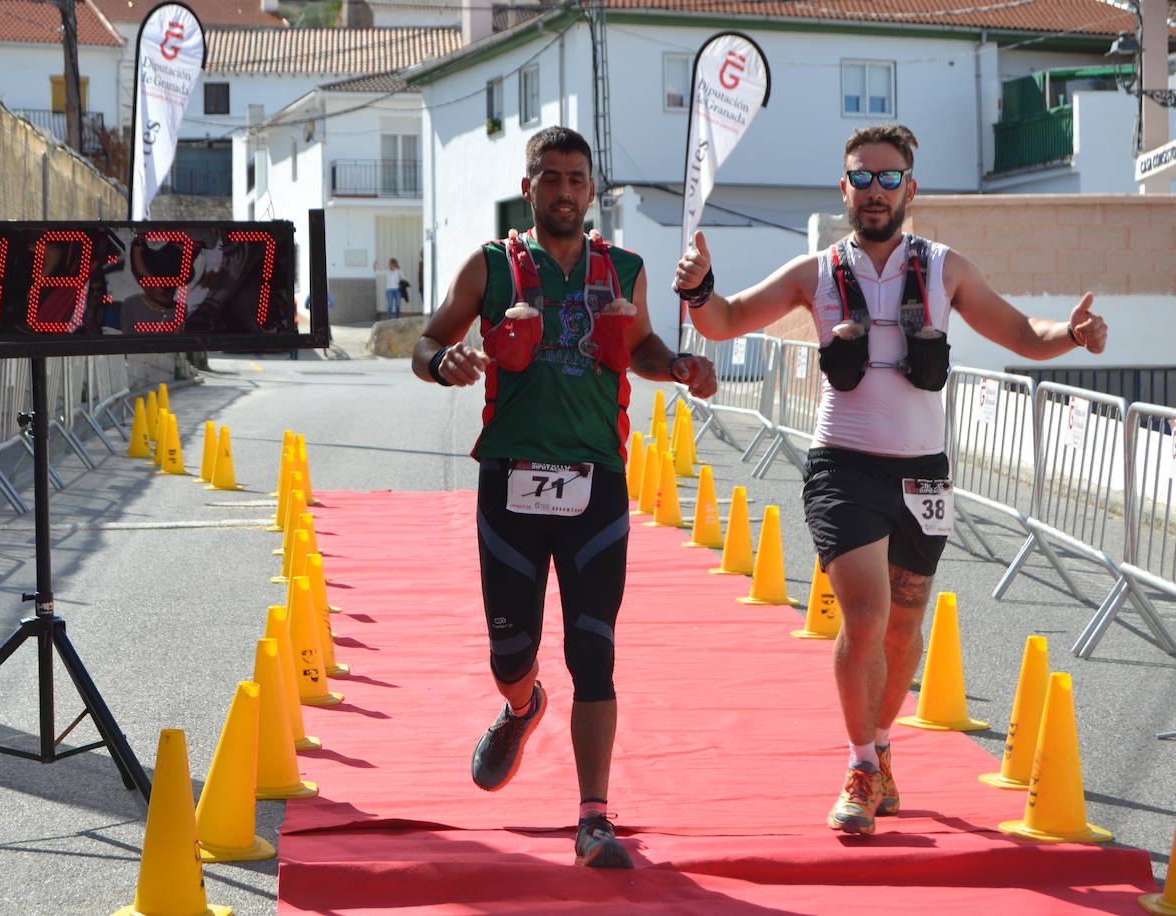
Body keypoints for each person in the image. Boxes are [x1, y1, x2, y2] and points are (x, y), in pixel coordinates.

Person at [671, 123, 1108, 836]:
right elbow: (724, 322)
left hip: (924, 477)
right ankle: (860, 766)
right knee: (867, 618)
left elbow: (1025, 333)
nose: (874, 191)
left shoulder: (946, 268)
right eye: (861, 178)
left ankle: (879, 746)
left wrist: (1073, 333)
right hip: (842, 466)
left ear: (910, 186)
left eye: (887, 177)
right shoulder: (814, 272)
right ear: (843, 189)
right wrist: (697, 288)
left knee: (904, 629)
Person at [412, 125, 717, 868]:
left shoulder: (624, 269)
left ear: (590, 191)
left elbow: (640, 347)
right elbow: (425, 343)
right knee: (510, 653)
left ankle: (593, 818)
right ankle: (522, 706)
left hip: (596, 484)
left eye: (576, 180)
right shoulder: (490, 268)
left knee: (595, 651)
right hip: (511, 481)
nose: (564, 191)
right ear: (529, 188)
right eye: (550, 178)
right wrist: (446, 361)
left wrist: (676, 363)